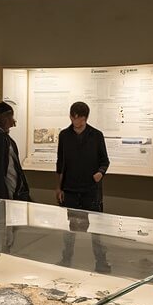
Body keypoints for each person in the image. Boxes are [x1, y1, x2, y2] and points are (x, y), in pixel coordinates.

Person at [55, 102, 111, 272]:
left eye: (79, 118)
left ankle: (101, 261)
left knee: (95, 228)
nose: (75, 121)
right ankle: (66, 259)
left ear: (86, 118)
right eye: (73, 117)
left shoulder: (96, 135)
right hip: (70, 188)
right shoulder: (64, 135)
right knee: (69, 228)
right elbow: (60, 163)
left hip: (90, 189)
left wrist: (100, 173)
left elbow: (105, 160)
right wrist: (59, 187)